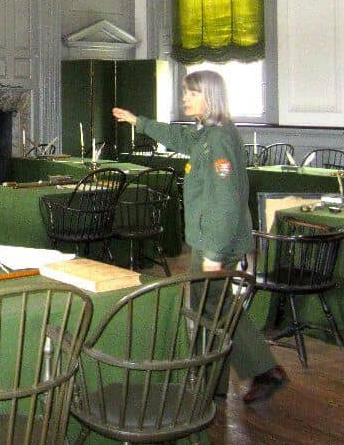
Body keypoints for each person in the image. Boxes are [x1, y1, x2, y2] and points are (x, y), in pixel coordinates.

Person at [112, 69, 287, 403]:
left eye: (191, 93)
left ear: (211, 97)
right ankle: (215, 382)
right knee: (211, 309)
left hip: (215, 242)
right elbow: (180, 140)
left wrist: (214, 253)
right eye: (184, 92)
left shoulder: (219, 138)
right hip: (208, 239)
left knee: (214, 309)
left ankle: (257, 372)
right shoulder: (207, 133)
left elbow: (226, 201)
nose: (184, 99)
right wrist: (140, 122)